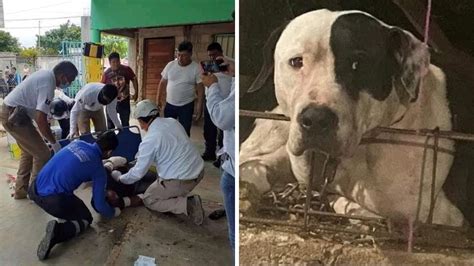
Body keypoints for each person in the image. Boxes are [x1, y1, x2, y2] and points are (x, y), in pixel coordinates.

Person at [28, 131, 121, 260]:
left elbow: (77, 166)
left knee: (72, 198)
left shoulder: (77, 143)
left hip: (34, 188)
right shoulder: (98, 170)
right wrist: (114, 212)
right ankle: (59, 232)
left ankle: (63, 216)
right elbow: (99, 205)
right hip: (53, 201)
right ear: (109, 152)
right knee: (86, 219)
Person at [110, 99, 206, 225]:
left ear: (141, 120)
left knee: (150, 199)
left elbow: (137, 174)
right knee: (157, 178)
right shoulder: (172, 122)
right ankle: (173, 193)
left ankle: (188, 204)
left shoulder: (150, 139)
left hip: (183, 179)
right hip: (199, 170)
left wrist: (120, 178)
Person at [0, 61, 78, 199]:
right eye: (70, 80)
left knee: (28, 152)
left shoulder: (45, 76)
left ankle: (21, 190)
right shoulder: (48, 82)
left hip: (13, 112)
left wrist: (44, 133)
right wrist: (55, 144)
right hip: (14, 115)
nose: (69, 84)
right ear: (63, 76)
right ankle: (34, 192)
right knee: (43, 154)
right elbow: (41, 120)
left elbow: (37, 115)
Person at [201, 56, 235, 251]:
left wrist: (212, 87)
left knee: (235, 232)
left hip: (236, 167)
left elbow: (222, 118)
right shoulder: (236, 81)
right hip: (231, 165)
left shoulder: (238, 87)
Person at [156, 41, 204, 136]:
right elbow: (162, 83)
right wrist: (158, 99)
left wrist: (199, 107)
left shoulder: (196, 68)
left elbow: (200, 89)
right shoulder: (170, 65)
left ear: (190, 54)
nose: (180, 58)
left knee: (184, 132)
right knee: (169, 131)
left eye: (184, 55)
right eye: (178, 55)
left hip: (186, 106)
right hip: (170, 105)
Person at [201, 42, 232, 164]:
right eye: (210, 55)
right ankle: (209, 152)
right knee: (209, 129)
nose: (212, 58)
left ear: (221, 52)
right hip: (210, 101)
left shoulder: (230, 64)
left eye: (214, 54)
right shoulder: (208, 66)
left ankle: (222, 156)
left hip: (225, 101)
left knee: (223, 131)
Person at [101, 52, 138, 129]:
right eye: (113, 62)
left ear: (120, 61)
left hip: (124, 101)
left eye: (117, 61)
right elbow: (101, 86)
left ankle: (125, 139)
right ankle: (111, 140)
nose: (116, 64)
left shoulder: (127, 70)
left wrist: (136, 92)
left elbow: (134, 79)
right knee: (110, 125)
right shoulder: (106, 73)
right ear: (110, 63)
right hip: (111, 102)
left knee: (125, 124)